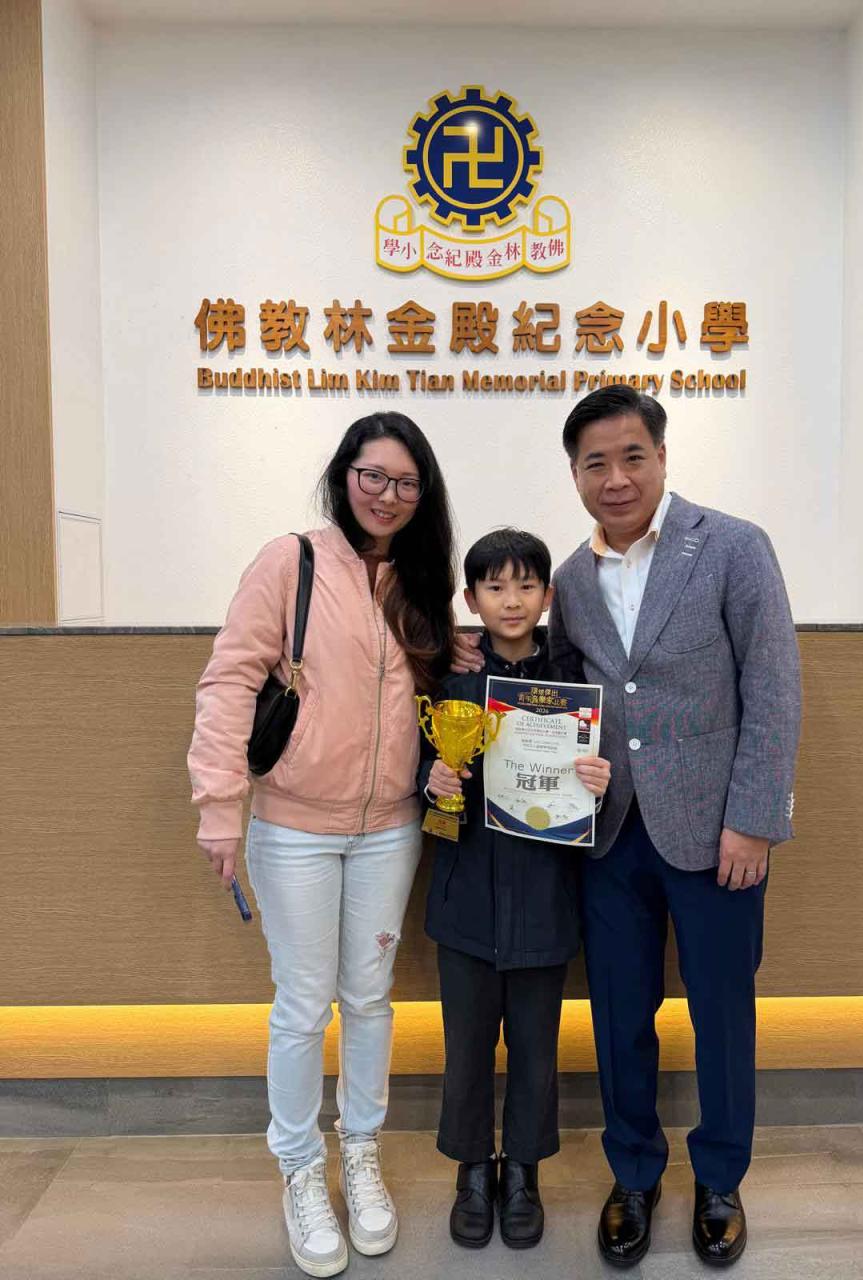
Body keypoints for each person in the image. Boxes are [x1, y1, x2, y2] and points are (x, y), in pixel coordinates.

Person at [455, 387, 801, 1268]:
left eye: (631, 457)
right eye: (595, 464)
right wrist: (469, 653)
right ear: (574, 474)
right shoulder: (568, 579)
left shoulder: (733, 547)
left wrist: (753, 820)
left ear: (661, 456)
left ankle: (720, 1179)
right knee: (618, 1015)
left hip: (717, 833)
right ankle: (634, 1174)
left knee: (723, 1011)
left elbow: (773, 688)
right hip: (606, 836)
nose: (616, 478)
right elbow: (555, 683)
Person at [188, 412, 455, 1278]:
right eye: (374, 475)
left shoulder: (420, 579)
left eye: (406, 482)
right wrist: (219, 806)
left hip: (390, 830)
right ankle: (301, 1169)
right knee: (303, 1005)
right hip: (295, 827)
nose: (388, 495)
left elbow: (437, 685)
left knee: (370, 999)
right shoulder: (290, 561)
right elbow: (230, 679)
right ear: (345, 476)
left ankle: (361, 1152)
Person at [422, 529, 611, 1252]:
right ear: (470, 600)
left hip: (545, 902)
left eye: (526, 586)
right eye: (495, 587)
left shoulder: (573, 685)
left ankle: (524, 1172)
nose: (511, 600)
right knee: (466, 1047)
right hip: (466, 900)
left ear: (548, 596)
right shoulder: (449, 683)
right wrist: (434, 783)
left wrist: (596, 783)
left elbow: (595, 796)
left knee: (536, 1047)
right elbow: (420, 798)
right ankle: (473, 1170)